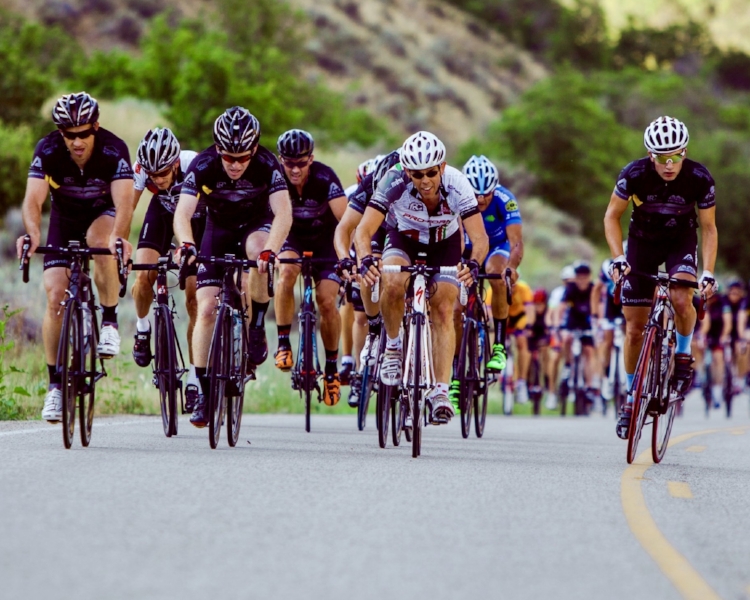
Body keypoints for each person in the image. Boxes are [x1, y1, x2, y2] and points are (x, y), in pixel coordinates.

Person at [16, 92, 134, 422]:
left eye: (83, 133)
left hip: (103, 214)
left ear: (96, 127)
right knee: (55, 294)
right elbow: (32, 200)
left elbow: (125, 203)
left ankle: (109, 319)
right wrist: (33, 233)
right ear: (61, 133)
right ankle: (55, 386)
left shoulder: (114, 149)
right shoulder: (49, 149)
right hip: (64, 219)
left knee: (101, 240)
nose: (77, 142)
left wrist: (119, 238)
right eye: (69, 135)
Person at [357, 132, 489, 424]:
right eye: (417, 174)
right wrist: (366, 259)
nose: (425, 180)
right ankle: (393, 347)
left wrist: (474, 264)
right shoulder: (392, 181)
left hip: (446, 243)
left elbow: (480, 238)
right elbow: (363, 231)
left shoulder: (458, 184)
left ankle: (440, 392)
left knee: (444, 307)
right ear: (406, 171)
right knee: (391, 283)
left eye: (431, 172)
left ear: (442, 167)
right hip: (404, 238)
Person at [174, 107, 292, 427]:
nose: (236, 164)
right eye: (228, 157)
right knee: (207, 307)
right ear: (217, 149)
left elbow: (283, 213)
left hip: (256, 226)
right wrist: (186, 243)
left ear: (254, 149)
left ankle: (255, 328)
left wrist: (271, 250)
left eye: (243, 157)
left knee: (257, 255)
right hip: (218, 230)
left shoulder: (268, 165)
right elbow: (183, 214)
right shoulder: (203, 165)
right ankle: (201, 386)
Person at [604, 116, 718, 439]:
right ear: (650, 156)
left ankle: (682, 354)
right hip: (642, 242)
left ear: (685, 152)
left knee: (683, 297)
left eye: (676, 156)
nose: (669, 165)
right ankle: (630, 398)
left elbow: (709, 228)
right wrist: (618, 258)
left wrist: (707, 271)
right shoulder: (634, 174)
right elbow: (611, 216)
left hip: (680, 241)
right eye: (661, 158)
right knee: (634, 328)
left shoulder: (700, 178)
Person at [129, 128, 205, 411]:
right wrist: (120, 242)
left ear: (175, 164)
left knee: (195, 296)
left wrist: (186, 245)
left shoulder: (194, 164)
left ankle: (196, 377)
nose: (158, 180)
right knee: (144, 274)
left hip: (196, 217)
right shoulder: (141, 171)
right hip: (160, 212)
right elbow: (127, 209)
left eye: (163, 173)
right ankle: (142, 327)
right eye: (153, 175)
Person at [272, 129, 348, 406]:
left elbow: (346, 221)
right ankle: (283, 343)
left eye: (301, 163)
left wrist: (348, 258)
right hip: (292, 237)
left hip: (326, 242)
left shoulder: (325, 178)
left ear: (311, 159)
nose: (294, 169)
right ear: (281, 160)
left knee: (327, 302)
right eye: (288, 163)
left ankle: (331, 369)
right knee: (287, 274)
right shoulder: (276, 178)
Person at [448, 155, 523, 409]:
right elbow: (454, 236)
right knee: (456, 310)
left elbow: (516, 243)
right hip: (467, 248)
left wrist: (511, 268)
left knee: (496, 272)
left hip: (496, 248)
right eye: (476, 194)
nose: (480, 200)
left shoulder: (505, 199)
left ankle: (499, 345)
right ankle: (456, 373)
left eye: (486, 194)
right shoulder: (457, 196)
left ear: (495, 188)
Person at [334, 151, 401, 406]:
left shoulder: (410, 184)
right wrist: (346, 260)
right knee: (368, 282)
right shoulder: (366, 186)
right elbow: (346, 229)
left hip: (404, 229)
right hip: (374, 229)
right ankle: (364, 357)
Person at [559, 261, 599, 410]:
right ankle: (568, 365)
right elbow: (562, 307)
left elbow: (599, 306)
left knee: (589, 351)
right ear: (575, 277)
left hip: (587, 322)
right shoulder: (570, 288)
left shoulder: (593, 288)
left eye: (585, 277)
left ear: (589, 277)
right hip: (572, 321)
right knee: (567, 338)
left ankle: (589, 385)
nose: (582, 280)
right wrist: (559, 326)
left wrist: (598, 322)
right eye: (579, 277)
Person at [545, 265, 575, 410]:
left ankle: (576, 382)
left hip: (576, 328)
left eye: (571, 281)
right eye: (566, 281)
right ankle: (551, 392)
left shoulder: (580, 291)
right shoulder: (557, 293)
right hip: (560, 328)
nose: (568, 284)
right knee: (554, 357)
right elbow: (550, 313)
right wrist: (552, 327)